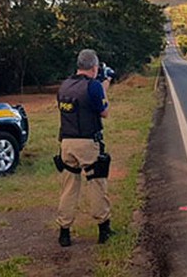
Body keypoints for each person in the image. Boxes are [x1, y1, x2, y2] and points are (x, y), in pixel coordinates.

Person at [56, 49, 115, 247]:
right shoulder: (94, 86)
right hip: (88, 142)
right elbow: (104, 112)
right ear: (95, 67)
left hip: (66, 143)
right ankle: (103, 229)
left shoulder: (64, 86)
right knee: (96, 184)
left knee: (68, 188)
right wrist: (105, 86)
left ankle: (64, 232)